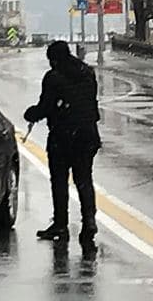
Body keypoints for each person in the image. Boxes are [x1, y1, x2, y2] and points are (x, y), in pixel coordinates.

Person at [24, 40, 101, 244]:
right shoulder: (87, 73)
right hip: (88, 134)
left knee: (59, 181)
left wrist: (31, 114)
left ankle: (60, 224)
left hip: (63, 136)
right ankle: (89, 220)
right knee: (84, 179)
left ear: (54, 59)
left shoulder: (54, 77)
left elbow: (46, 107)